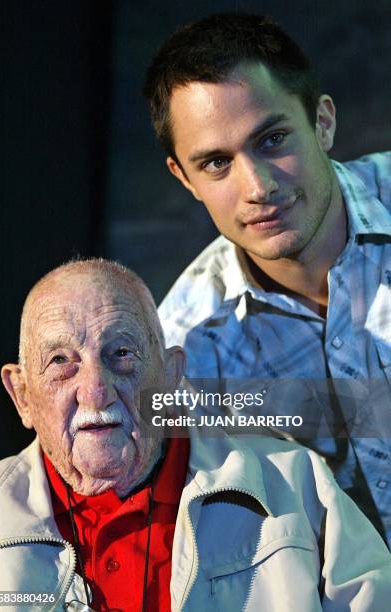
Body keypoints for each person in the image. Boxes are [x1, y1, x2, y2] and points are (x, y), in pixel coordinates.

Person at [0, 259, 390, 611]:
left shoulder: (296, 484)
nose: (95, 391)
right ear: (21, 395)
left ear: (171, 375)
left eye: (122, 354)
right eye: (60, 361)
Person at [143, 12, 391, 546]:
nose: (256, 187)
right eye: (214, 163)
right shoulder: (185, 352)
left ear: (322, 123)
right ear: (183, 178)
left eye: (273, 138)